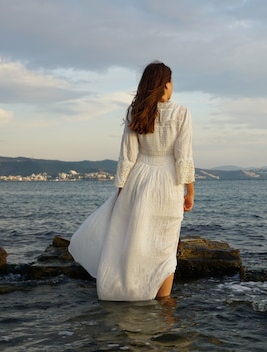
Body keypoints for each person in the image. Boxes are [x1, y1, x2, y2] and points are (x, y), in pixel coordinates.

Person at [68, 61, 195, 301]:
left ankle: (128, 290)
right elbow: (183, 156)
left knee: (135, 239)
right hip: (168, 183)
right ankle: (163, 303)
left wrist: (120, 190)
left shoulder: (136, 112)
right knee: (165, 247)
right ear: (166, 84)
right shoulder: (182, 112)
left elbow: (126, 157)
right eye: (171, 82)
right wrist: (190, 191)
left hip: (139, 179)